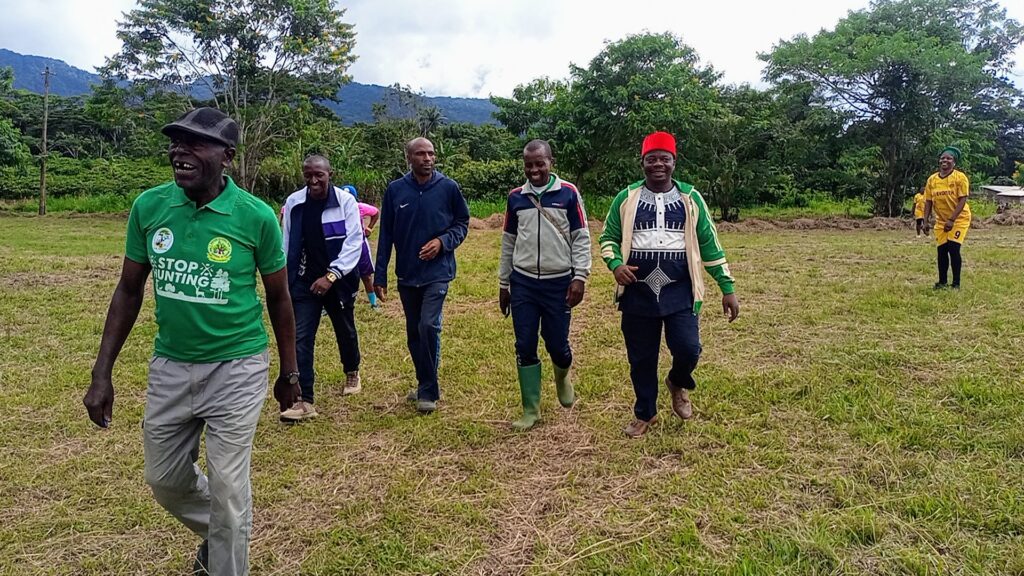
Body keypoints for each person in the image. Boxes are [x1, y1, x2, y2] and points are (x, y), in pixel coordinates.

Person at [83, 107, 300, 576]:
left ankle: (225, 552)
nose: (179, 150)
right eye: (176, 142)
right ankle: (224, 533)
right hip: (171, 367)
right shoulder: (150, 207)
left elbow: (280, 299)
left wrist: (290, 372)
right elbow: (128, 290)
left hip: (238, 367)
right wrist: (102, 373)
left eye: (194, 142)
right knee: (164, 480)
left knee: (229, 488)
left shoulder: (255, 217)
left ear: (227, 156)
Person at [598, 131, 740, 438]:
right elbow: (607, 238)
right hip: (638, 292)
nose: (658, 165)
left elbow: (710, 245)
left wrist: (727, 288)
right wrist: (616, 265)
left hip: (680, 290)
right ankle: (645, 413)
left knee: (688, 349)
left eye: (665, 159)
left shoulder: (691, 199)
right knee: (641, 358)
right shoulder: (627, 198)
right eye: (652, 159)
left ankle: (678, 381)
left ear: (674, 162)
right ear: (643, 163)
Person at [498, 139, 591, 430]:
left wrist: (580, 277)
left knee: (557, 345)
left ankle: (562, 377)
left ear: (551, 162)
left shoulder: (568, 194)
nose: (534, 169)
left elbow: (581, 237)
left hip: (559, 283)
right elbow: (508, 243)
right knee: (524, 344)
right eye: (529, 164)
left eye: (540, 163)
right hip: (523, 282)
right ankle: (531, 410)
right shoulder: (516, 198)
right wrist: (504, 283)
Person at [374, 137, 470, 414]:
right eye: (420, 154)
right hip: (407, 274)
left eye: (431, 153)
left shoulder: (448, 188)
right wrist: (380, 275)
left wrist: (443, 242)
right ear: (409, 158)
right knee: (414, 332)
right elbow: (386, 235)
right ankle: (424, 382)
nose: (427, 158)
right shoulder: (395, 190)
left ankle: (428, 390)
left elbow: (462, 223)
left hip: (438, 272)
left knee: (429, 326)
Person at [280, 155, 366, 421]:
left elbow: (355, 242)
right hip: (305, 280)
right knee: (301, 337)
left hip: (338, 281)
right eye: (308, 175)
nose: (314, 181)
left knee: (345, 330)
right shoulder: (295, 203)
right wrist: (285, 276)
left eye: (319, 175)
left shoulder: (345, 202)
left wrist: (332, 275)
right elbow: (287, 242)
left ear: (330, 174)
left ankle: (352, 371)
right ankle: (304, 400)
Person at [922, 146, 971, 289]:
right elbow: (928, 201)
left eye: (949, 158)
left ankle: (956, 284)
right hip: (941, 221)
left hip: (959, 219)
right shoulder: (932, 180)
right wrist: (925, 221)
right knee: (942, 250)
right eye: (943, 158)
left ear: (954, 162)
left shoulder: (960, 178)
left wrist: (952, 220)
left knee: (953, 249)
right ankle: (942, 282)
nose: (945, 160)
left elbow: (963, 200)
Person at [357, 200, 381, 308]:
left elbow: (376, 212)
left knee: (366, 276)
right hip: (342, 247)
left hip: (360, 245)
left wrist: (369, 228)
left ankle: (374, 303)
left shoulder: (359, 207)